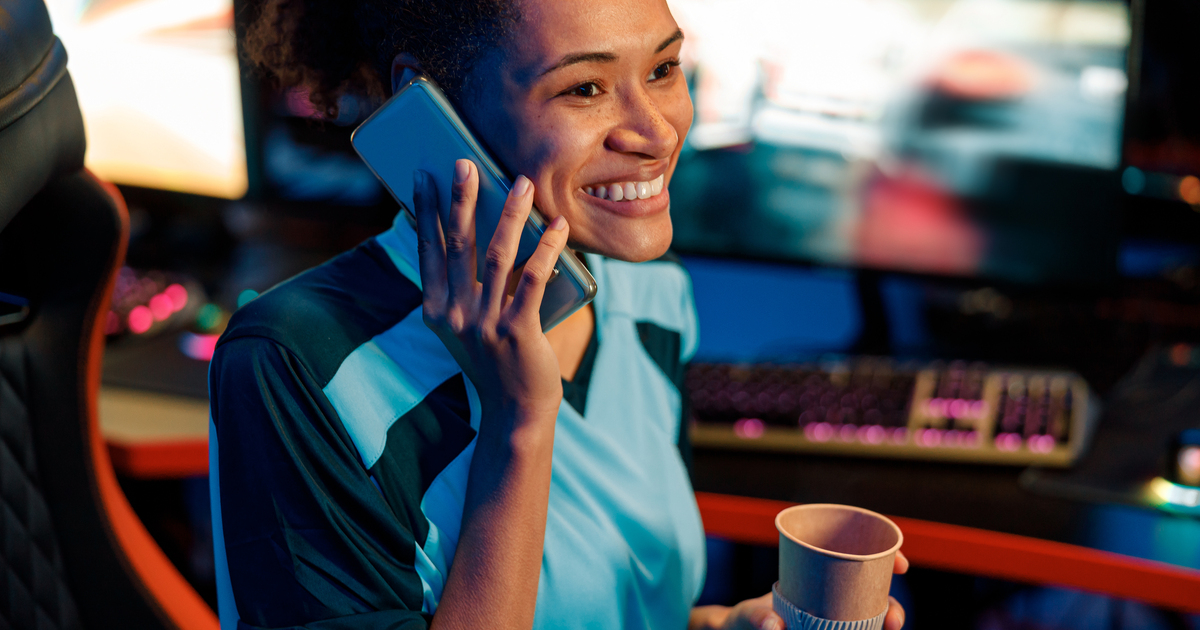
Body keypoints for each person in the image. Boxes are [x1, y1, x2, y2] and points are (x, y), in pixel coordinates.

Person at [210, 0, 908, 628]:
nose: (658, 132)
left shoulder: (649, 297)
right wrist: (517, 424)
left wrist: (720, 627)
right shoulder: (296, 363)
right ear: (428, 103)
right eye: (585, 88)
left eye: (664, 69)